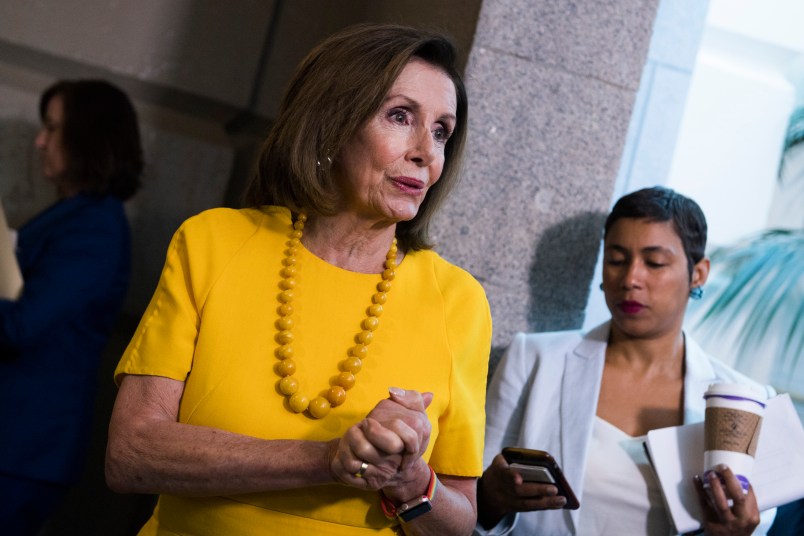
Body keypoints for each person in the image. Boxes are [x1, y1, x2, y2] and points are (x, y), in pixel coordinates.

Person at [105, 23, 492, 535]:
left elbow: (460, 524)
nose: (426, 151)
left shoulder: (458, 300)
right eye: (401, 116)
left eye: (442, 130)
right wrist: (327, 459)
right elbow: (130, 455)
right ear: (332, 123)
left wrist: (411, 481)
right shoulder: (214, 242)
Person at [475, 186, 777, 536]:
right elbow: (472, 496)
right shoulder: (535, 359)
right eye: (617, 260)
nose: (631, 279)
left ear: (698, 273)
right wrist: (492, 497)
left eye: (655, 263)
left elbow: (754, 523)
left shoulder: (747, 403)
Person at [0, 79, 143, 535]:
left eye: (52, 129)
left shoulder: (94, 227)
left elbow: (21, 325)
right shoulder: (77, 214)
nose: (40, 141)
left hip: (21, 448)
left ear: (88, 138)